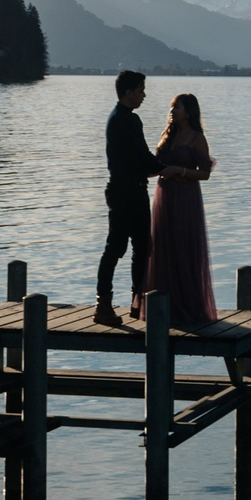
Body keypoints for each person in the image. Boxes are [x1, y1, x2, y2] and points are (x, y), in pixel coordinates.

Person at [144, 93, 219, 326]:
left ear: (189, 111)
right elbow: (157, 165)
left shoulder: (197, 138)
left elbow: (205, 173)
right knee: (163, 246)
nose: (172, 111)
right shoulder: (168, 135)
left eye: (177, 107)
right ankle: (163, 305)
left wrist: (179, 171)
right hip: (164, 196)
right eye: (172, 107)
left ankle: (188, 305)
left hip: (186, 198)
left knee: (183, 246)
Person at [95, 69, 160, 327]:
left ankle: (135, 301)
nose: (144, 95)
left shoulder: (122, 118)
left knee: (139, 247)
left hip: (129, 189)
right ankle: (106, 305)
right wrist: (169, 169)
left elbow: (141, 159)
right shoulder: (126, 120)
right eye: (141, 90)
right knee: (119, 248)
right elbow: (142, 158)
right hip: (126, 192)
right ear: (129, 92)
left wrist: (159, 167)